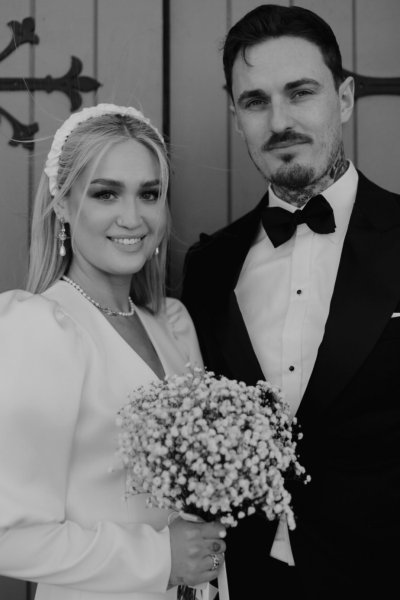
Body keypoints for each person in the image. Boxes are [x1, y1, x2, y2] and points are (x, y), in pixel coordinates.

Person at [182, 5, 400, 599]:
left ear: (346, 98)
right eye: (255, 101)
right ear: (237, 116)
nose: (279, 121)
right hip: (246, 582)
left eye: (300, 92)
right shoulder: (207, 268)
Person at [0, 103, 227, 600]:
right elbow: (7, 535)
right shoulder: (41, 329)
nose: (133, 216)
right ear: (62, 203)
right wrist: (159, 559)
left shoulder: (171, 326)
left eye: (150, 194)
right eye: (106, 193)